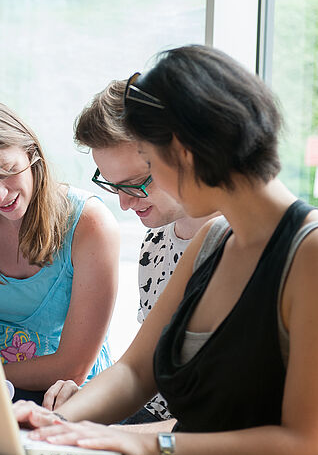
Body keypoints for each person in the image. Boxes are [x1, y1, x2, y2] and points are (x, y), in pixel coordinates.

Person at [14, 45, 318, 455]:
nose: (147, 185)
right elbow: (134, 372)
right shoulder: (212, 240)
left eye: (149, 162)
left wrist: (139, 445)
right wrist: (49, 426)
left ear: (184, 153)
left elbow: (308, 448)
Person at [44, 80, 215, 421]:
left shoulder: (243, 247)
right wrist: (87, 400)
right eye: (113, 186)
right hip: (152, 420)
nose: (123, 205)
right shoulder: (156, 242)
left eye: (135, 184)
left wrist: (110, 433)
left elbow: (222, 420)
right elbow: (142, 369)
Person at [0, 97, 120, 404]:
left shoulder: (90, 224)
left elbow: (72, 368)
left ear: (31, 153)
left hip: (68, 399)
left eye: (6, 171)